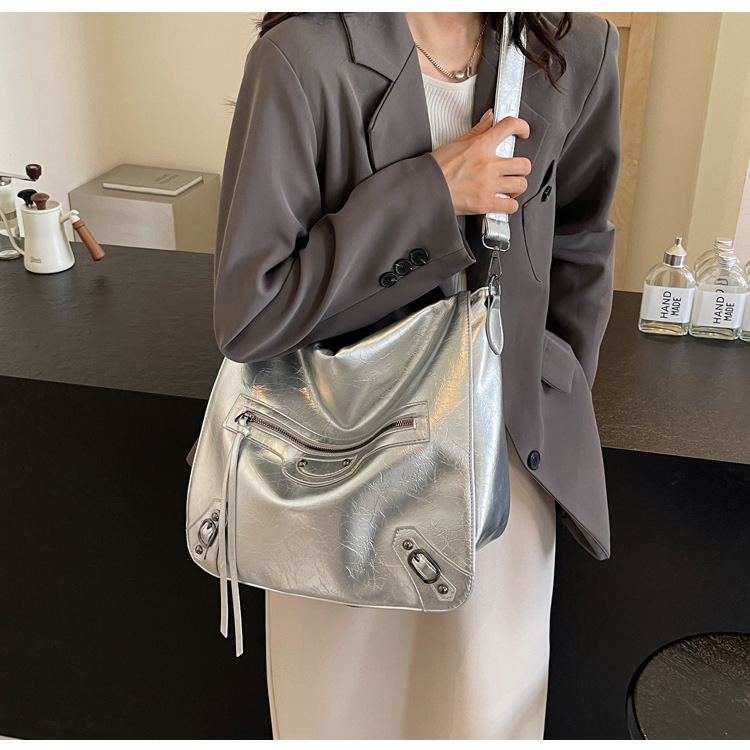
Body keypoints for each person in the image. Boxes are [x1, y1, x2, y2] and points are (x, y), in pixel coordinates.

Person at [213, 11, 620, 740]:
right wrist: (432, 192)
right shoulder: (301, 57)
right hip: (338, 475)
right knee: (340, 721)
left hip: (504, 474)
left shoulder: (572, 47)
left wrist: (546, 388)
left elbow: (581, 239)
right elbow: (253, 312)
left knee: (486, 718)